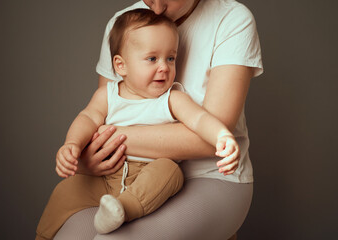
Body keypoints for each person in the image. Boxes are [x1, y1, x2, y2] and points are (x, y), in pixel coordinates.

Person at [36, 8, 241, 239]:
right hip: (106, 177)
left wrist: (222, 135)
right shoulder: (108, 95)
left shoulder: (172, 98)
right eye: (152, 59)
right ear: (121, 65)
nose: (164, 67)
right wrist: (72, 144)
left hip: (148, 175)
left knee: (170, 171)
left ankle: (124, 209)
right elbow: (87, 118)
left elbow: (200, 119)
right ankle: (43, 235)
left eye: (170, 58)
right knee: (65, 191)